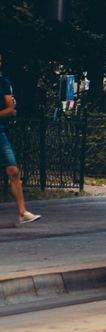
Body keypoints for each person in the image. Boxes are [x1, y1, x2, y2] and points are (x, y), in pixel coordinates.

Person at [0, 54, 40, 224]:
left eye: (0, 60)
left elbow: (11, 109)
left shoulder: (4, 82)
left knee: (14, 171)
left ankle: (23, 212)